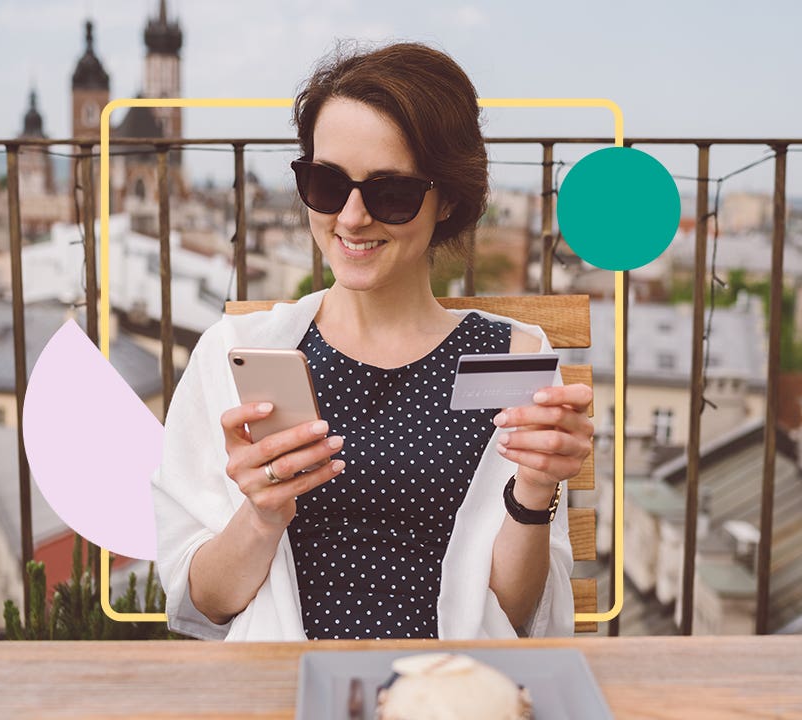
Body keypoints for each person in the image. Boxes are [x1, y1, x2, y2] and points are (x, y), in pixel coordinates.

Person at [151, 41, 594, 641]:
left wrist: (536, 489)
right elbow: (204, 604)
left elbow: (514, 618)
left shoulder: (509, 357)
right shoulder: (235, 355)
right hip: (290, 694)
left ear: (450, 201)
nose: (353, 218)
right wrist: (261, 516)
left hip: (445, 693)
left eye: (391, 193)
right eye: (327, 184)